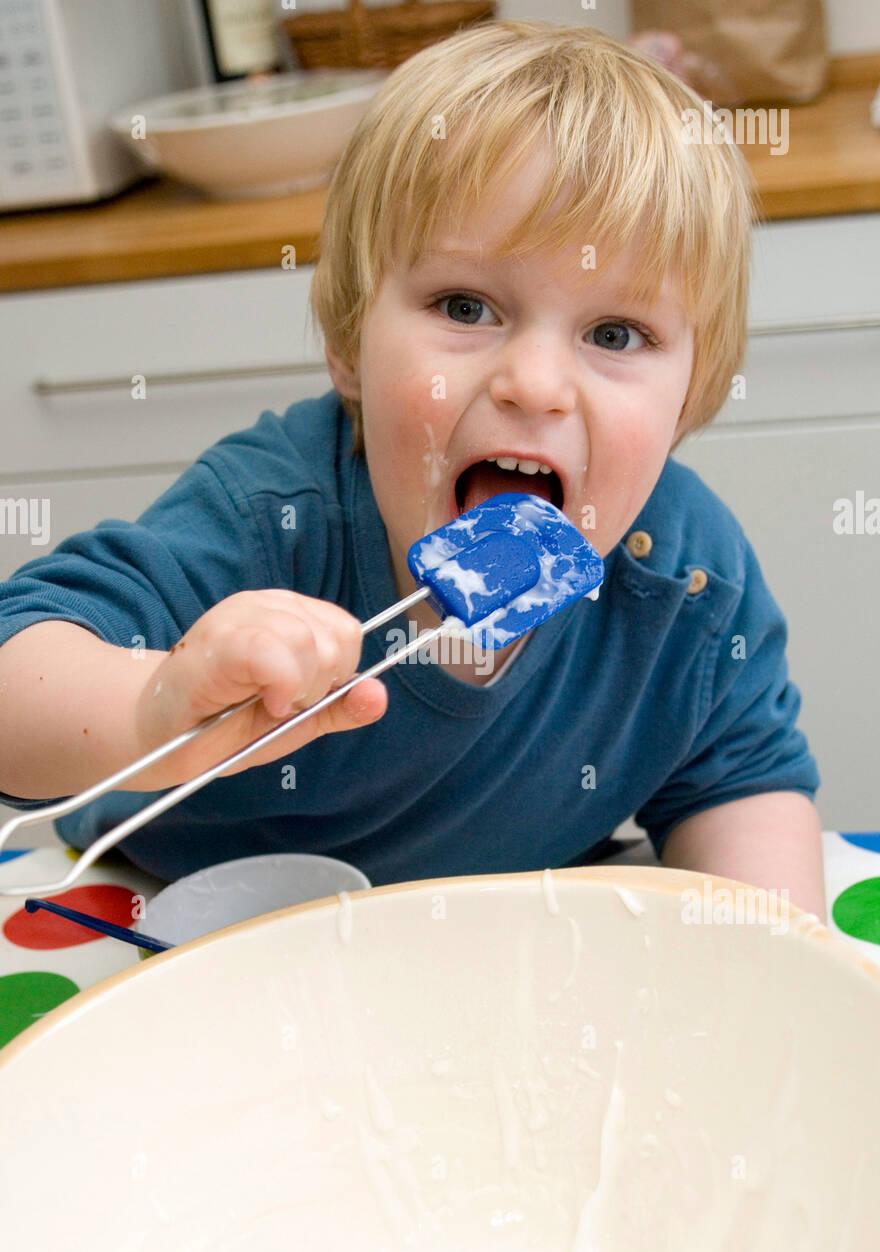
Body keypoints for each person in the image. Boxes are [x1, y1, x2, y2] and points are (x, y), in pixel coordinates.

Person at [0, 21, 825, 919]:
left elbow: (738, 787)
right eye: (466, 306)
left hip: (491, 952)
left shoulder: (683, 579)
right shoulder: (274, 517)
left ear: (691, 392)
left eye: (616, 334)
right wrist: (156, 706)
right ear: (350, 343)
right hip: (190, 918)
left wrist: (758, 971)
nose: (537, 385)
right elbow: (18, 675)